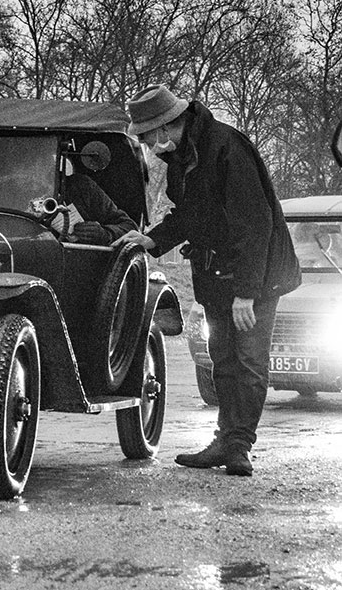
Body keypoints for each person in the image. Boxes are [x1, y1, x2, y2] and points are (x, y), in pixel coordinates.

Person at [113, 83, 300, 477]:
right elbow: (190, 215)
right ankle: (225, 439)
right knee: (224, 359)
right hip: (217, 273)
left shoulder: (226, 147)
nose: (148, 147)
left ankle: (238, 446)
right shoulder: (185, 156)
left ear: (165, 129)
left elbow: (255, 224)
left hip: (256, 275)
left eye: (147, 138)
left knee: (248, 361)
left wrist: (247, 294)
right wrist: (154, 239)